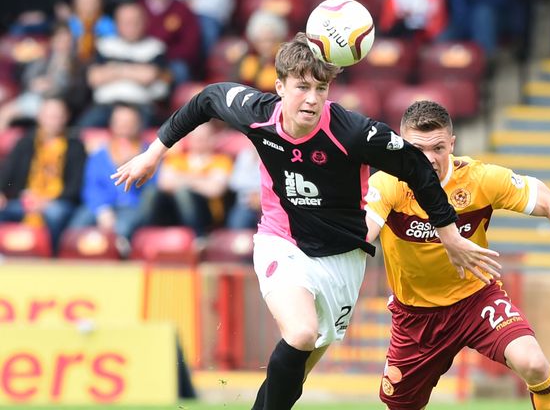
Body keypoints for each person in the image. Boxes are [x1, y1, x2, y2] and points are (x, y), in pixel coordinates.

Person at [111, 32, 501, 410]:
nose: (312, 99)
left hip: (343, 259)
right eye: (302, 87)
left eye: (321, 89)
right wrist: (153, 153)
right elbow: (208, 98)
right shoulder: (256, 113)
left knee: (298, 370)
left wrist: (448, 235)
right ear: (279, 87)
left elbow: (417, 167)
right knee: (300, 333)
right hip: (281, 240)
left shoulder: (354, 132)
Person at [365, 100, 550, 410]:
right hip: (415, 317)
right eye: (417, 149)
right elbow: (364, 229)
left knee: (533, 363)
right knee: (401, 405)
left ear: (452, 144)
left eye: (437, 148)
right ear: (400, 145)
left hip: (476, 300)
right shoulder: (387, 184)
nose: (428, 159)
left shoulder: (478, 179)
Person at [0, 97, 86, 253]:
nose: (53, 120)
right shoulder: (25, 143)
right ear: (40, 117)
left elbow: (75, 186)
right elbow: (8, 174)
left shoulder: (75, 146)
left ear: (66, 117)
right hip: (24, 200)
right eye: (49, 115)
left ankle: (52, 258)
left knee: (55, 213)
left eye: (57, 116)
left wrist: (47, 201)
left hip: (56, 202)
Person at [69, 104, 156, 250]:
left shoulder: (149, 154)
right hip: (102, 205)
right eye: (120, 122)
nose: (124, 126)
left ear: (138, 124)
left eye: (129, 122)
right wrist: (102, 208)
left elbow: (153, 188)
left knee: (121, 229)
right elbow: (91, 187)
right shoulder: (100, 153)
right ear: (112, 124)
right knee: (75, 229)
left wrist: (137, 169)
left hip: (133, 207)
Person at [77, 2, 169, 128]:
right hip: (105, 106)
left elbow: (148, 76)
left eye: (135, 21)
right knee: (81, 132)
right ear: (117, 24)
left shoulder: (155, 47)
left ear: (144, 22)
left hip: (140, 106)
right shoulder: (104, 45)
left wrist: (113, 69)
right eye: (126, 22)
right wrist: (134, 71)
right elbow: (94, 78)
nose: (131, 26)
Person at [155, 121, 232, 237]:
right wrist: (201, 180)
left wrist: (182, 178)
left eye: (204, 138)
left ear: (213, 139)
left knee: (183, 193)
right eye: (196, 138)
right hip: (173, 210)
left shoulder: (221, 160)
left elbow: (215, 189)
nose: (200, 141)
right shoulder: (177, 159)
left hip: (207, 212)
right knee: (152, 194)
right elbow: (164, 184)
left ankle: (199, 236)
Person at [226, 146, 262, 230]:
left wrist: (259, 194)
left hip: (268, 204)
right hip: (245, 203)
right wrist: (253, 192)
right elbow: (234, 182)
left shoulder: (272, 154)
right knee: (237, 223)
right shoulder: (244, 155)